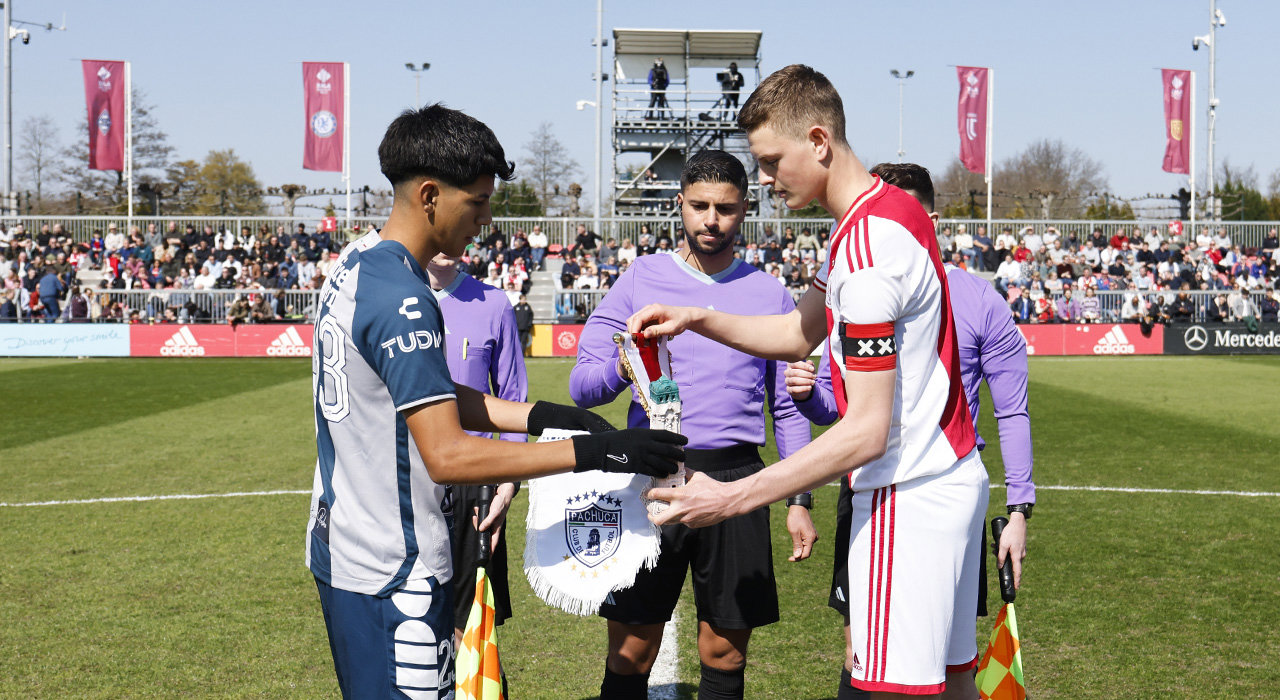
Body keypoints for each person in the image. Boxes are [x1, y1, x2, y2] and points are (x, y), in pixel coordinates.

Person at [626, 66, 986, 700]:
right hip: (950, 482)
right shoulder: (885, 211)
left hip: (907, 496)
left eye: (771, 161)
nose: (763, 180)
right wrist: (699, 317)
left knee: (882, 691)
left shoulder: (868, 252)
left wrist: (733, 499)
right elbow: (799, 332)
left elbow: (868, 430)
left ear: (818, 141)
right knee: (954, 687)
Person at [306, 105, 687, 700]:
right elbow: (449, 456)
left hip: (342, 543)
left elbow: (425, 389)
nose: (486, 219)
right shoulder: (406, 296)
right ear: (430, 194)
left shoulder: (353, 262)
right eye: (477, 202)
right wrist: (596, 452)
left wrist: (538, 417)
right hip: (393, 564)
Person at [781, 163, 1035, 700]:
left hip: (937, 494)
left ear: (930, 219)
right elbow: (846, 409)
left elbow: (1012, 410)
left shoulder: (979, 301)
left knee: (946, 668)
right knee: (863, 658)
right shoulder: (858, 282)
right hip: (871, 488)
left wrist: (1019, 510)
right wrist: (809, 395)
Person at [571, 150, 816, 700]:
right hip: (650, 474)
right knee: (631, 650)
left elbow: (786, 409)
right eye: (700, 206)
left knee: (724, 652)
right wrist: (626, 362)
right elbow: (582, 386)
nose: (711, 219)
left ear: (744, 210)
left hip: (736, 478)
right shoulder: (641, 278)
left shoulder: (771, 295)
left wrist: (798, 499)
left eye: (725, 209)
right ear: (679, 204)